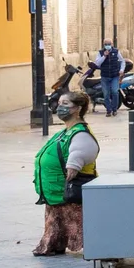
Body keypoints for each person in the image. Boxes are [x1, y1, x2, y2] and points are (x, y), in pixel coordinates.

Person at [32, 92, 99, 256]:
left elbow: (85, 149)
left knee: (76, 218)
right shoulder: (66, 131)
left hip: (69, 188)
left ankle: (97, 246)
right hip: (56, 189)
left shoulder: (80, 132)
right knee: (55, 216)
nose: (60, 107)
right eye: (60, 103)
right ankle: (54, 243)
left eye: (65, 104)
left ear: (77, 108)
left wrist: (74, 163)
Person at [96, 40, 123, 116]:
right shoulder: (100, 53)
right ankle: (108, 110)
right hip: (105, 76)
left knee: (115, 92)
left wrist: (121, 70)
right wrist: (104, 56)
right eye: (105, 44)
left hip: (114, 75)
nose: (107, 45)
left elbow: (122, 61)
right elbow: (97, 63)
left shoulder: (116, 51)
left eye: (109, 44)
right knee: (106, 94)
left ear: (112, 44)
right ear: (103, 45)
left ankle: (114, 109)